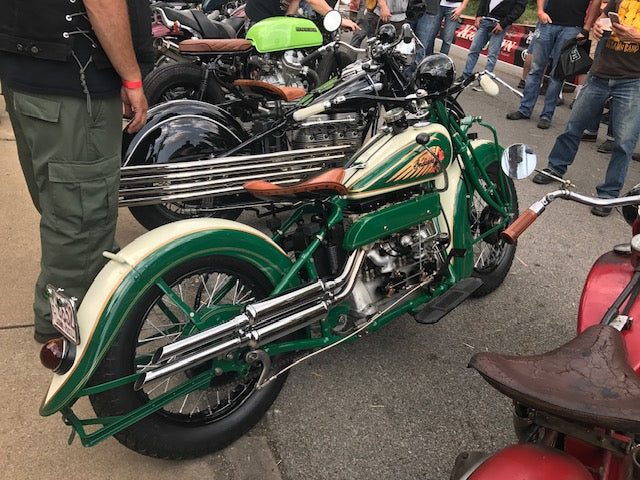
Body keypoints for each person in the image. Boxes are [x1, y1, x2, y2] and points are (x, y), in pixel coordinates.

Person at [0, 0, 148, 343]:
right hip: (73, 85)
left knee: (65, 210)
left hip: (29, 77)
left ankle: (93, 295)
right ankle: (67, 341)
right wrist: (132, 79)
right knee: (80, 220)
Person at [532, 0, 640, 218]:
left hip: (633, 80)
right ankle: (556, 167)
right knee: (573, 126)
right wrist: (599, 26)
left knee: (624, 142)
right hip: (600, 73)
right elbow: (602, 19)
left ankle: (609, 195)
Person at [506, 0, 594, 129]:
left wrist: (586, 29)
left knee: (558, 74)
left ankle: (546, 115)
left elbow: (595, 4)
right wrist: (540, 10)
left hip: (572, 28)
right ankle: (524, 109)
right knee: (536, 69)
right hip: (547, 23)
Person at [456, 0, 527, 83]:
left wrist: (503, 24)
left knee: (492, 54)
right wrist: (479, 15)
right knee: (474, 49)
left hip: (500, 22)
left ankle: (485, 80)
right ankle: (465, 76)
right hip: (485, 19)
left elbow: (518, 9)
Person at [245, 0, 359, 30]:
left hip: (273, 15)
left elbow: (294, 5)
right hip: (261, 15)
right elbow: (313, 1)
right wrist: (338, 20)